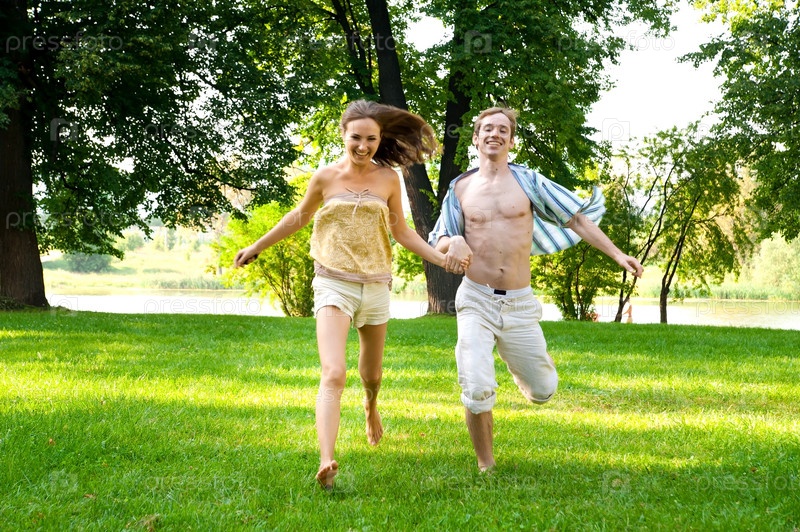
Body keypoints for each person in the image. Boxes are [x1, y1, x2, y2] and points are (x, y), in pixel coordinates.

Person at [234, 100, 468, 490]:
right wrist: (257, 246)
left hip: (375, 284)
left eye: (371, 139)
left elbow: (402, 232)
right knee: (334, 373)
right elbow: (298, 217)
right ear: (343, 134)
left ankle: (370, 405)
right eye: (356, 137)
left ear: (380, 139)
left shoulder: (388, 179)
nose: (363, 146)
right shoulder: (325, 177)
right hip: (333, 282)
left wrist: (441, 260)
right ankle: (326, 460)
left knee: (371, 375)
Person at [428, 106, 643, 472]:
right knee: (477, 387)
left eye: (503, 130)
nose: (495, 134)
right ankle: (486, 465)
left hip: (519, 304)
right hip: (476, 298)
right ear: (476, 139)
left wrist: (617, 254)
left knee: (542, 391)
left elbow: (576, 219)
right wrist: (456, 241)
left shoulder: (528, 182)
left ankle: (520, 362)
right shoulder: (459, 187)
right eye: (487, 129)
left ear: (511, 141)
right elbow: (439, 240)